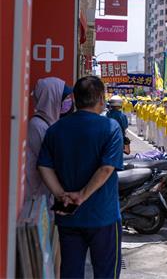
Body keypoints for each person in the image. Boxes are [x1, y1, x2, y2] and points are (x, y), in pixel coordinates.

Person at [37, 76, 123, 278]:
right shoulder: (111, 128)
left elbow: (43, 166)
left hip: (68, 215)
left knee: (71, 271)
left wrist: (61, 195)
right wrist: (82, 195)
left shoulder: (55, 129)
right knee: (106, 273)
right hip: (103, 216)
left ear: (74, 99)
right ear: (101, 98)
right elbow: (106, 169)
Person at [26, 77, 72, 203]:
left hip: (47, 192)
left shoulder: (51, 123)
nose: (69, 102)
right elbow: (51, 160)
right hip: (36, 193)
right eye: (65, 98)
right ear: (52, 98)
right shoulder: (37, 125)